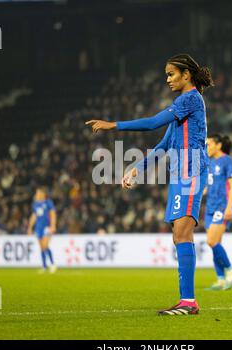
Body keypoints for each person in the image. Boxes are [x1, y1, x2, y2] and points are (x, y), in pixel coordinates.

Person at [86, 54, 214, 315]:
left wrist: (114, 125)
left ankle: (188, 302)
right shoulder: (182, 106)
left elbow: (153, 123)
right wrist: (137, 168)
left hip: (190, 171)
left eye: (171, 74)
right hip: (180, 173)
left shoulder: (190, 99)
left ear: (186, 75)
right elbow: (163, 145)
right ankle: (186, 301)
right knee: (178, 234)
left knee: (182, 233)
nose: (167, 79)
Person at [204, 134, 232, 290]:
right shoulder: (211, 162)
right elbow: (210, 184)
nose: (207, 147)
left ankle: (231, 271)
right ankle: (220, 279)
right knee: (215, 244)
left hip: (222, 206)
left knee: (211, 241)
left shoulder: (227, 161)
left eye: (209, 144)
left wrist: (229, 207)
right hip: (210, 207)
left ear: (218, 145)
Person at [27, 187, 57, 273]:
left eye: (38, 193)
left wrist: (53, 225)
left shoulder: (48, 203)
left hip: (47, 227)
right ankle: (44, 266)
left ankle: (52, 264)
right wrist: (30, 227)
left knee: (45, 245)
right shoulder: (35, 204)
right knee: (41, 247)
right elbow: (34, 216)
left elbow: (53, 214)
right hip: (38, 227)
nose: (36, 195)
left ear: (43, 194)